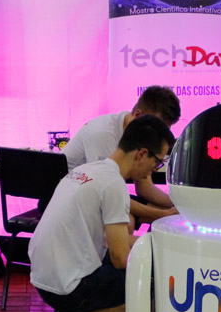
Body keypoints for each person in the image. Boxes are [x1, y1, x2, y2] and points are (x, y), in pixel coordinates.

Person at [30, 114, 176, 312]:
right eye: (158, 161)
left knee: (134, 262)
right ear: (142, 154)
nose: (155, 169)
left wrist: (156, 246)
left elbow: (116, 243)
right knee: (155, 283)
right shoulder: (113, 185)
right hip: (65, 288)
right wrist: (166, 258)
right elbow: (121, 258)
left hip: (43, 278)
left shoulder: (88, 170)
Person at [63, 85, 180, 225]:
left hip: (96, 194)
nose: (160, 135)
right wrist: (163, 214)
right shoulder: (103, 135)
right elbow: (106, 195)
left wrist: (180, 205)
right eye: (157, 127)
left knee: (171, 212)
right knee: (128, 221)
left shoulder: (138, 133)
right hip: (72, 198)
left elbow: (144, 188)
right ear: (138, 115)